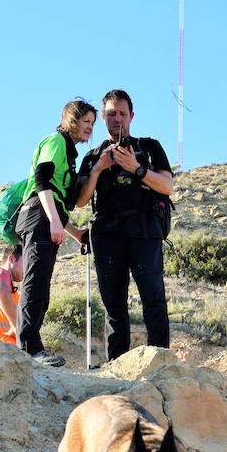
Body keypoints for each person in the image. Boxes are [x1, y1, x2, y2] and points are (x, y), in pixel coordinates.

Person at [75, 89, 174, 361]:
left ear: (131, 116)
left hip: (145, 230)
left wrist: (136, 168)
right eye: (110, 114)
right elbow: (81, 201)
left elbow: (167, 186)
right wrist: (98, 169)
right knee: (113, 304)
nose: (117, 119)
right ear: (103, 118)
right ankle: (117, 363)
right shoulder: (92, 155)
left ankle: (160, 360)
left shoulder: (149, 147)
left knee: (153, 298)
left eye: (122, 113)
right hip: (107, 235)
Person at [17, 98, 96, 366]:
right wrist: (52, 221)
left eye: (92, 124)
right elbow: (42, 180)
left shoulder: (69, 150)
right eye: (86, 122)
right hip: (39, 216)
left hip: (46, 217)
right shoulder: (56, 142)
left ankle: (33, 346)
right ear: (71, 121)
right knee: (35, 281)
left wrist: (75, 233)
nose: (90, 128)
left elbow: (60, 202)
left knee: (42, 284)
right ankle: (29, 347)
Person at [0, 244, 23, 347]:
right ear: (11, 259)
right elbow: (0, 290)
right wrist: (16, 326)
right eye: (26, 262)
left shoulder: (9, 284)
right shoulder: (1, 273)